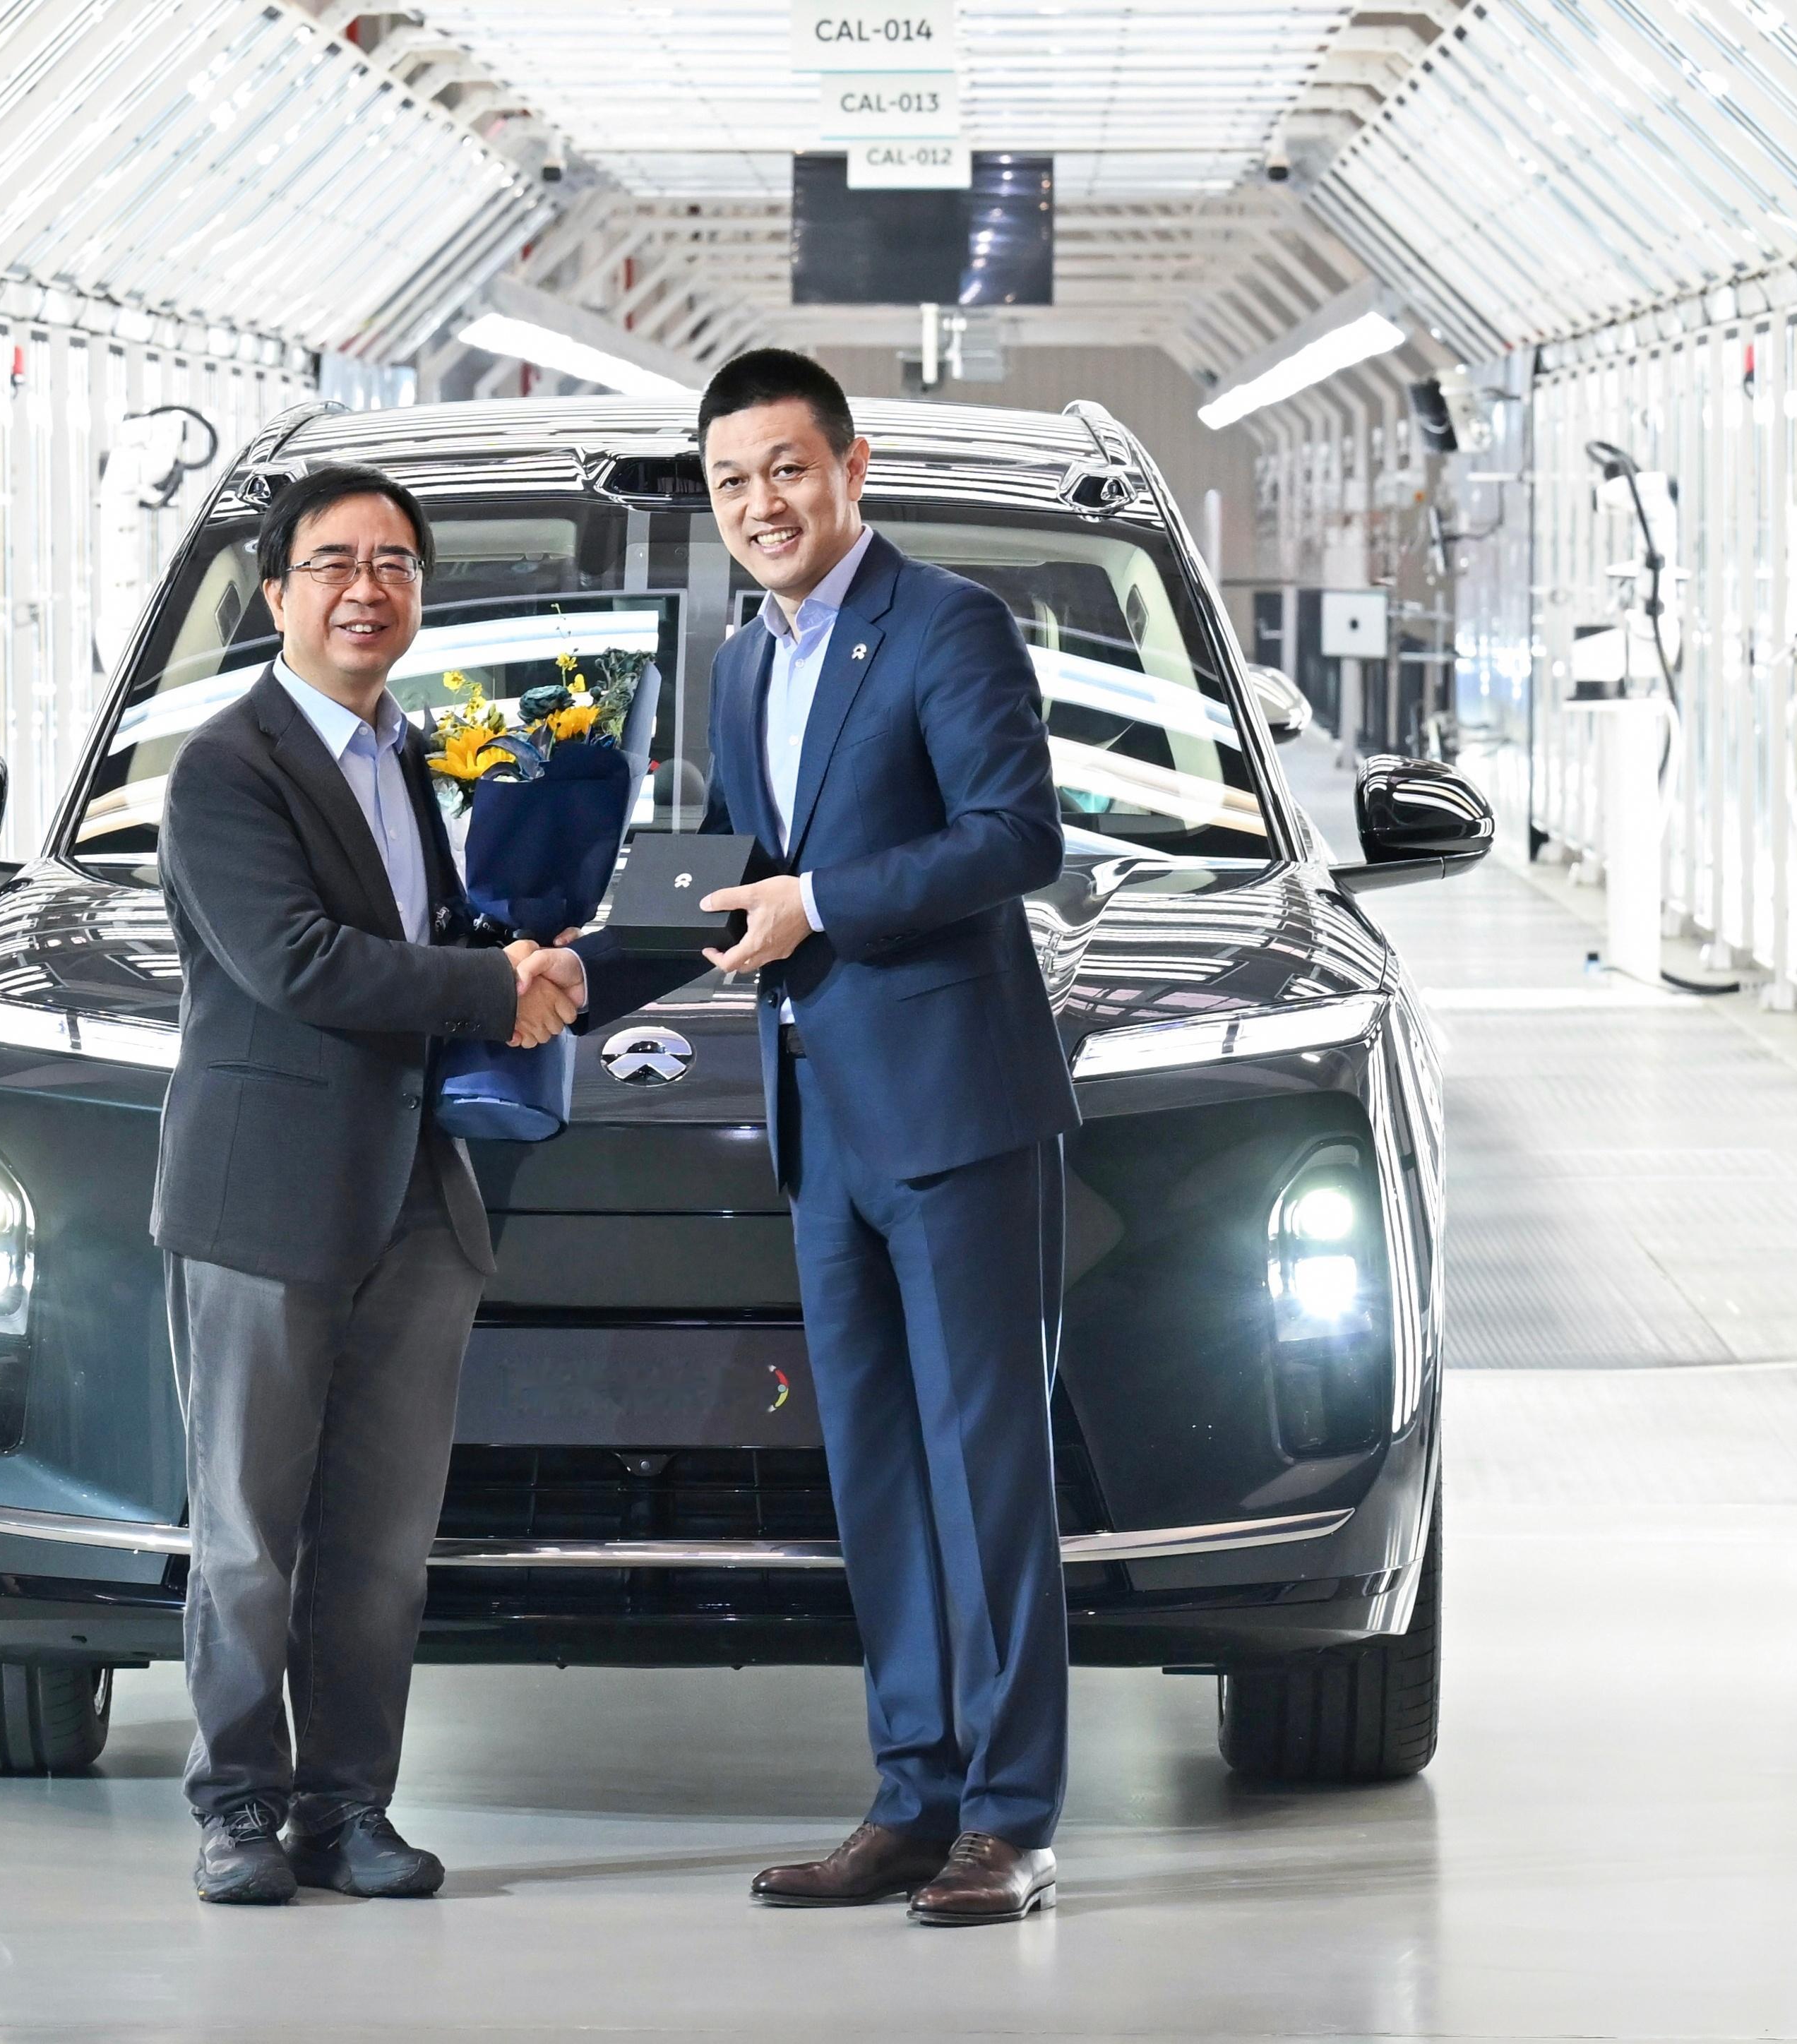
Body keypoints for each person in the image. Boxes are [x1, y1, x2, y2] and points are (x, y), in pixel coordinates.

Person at [150, 463, 587, 1906]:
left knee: (382, 1545)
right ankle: (237, 1807)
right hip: (267, 1198)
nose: (366, 589)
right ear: (276, 593)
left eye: (394, 563)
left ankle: (348, 1811)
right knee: (249, 1535)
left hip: (413, 1195)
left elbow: (420, 930)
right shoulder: (228, 766)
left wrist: (537, 954)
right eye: (334, 563)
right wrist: (491, 987)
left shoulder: (405, 753)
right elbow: (298, 961)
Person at [689, 349, 1079, 1925]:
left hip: (952, 1107)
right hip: (820, 1117)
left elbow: (1016, 836)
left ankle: (1010, 1816)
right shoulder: (741, 663)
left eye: (787, 468)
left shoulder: (946, 623)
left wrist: (822, 904)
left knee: (986, 1468)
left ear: (853, 468)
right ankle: (912, 1795)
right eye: (732, 481)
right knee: (876, 1474)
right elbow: (748, 869)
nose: (762, 504)